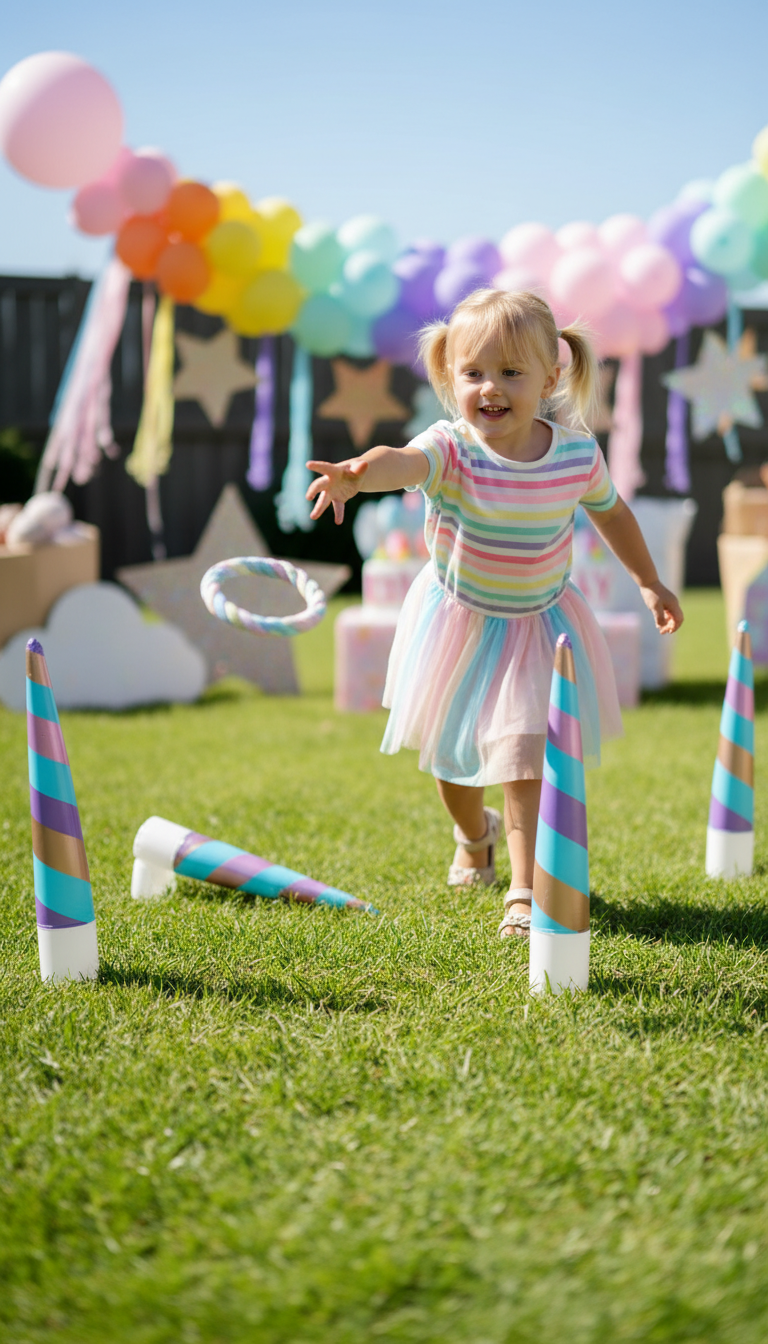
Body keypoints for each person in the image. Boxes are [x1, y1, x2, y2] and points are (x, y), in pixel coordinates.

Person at [306, 289, 683, 939]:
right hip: (460, 621)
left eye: (512, 372)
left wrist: (649, 580)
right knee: (453, 764)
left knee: (521, 757)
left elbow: (613, 513)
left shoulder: (573, 454)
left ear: (551, 376)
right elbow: (403, 464)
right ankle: (472, 832)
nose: (491, 388)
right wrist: (357, 472)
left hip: (540, 624)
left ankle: (524, 889)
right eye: (475, 372)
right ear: (451, 376)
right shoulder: (451, 447)